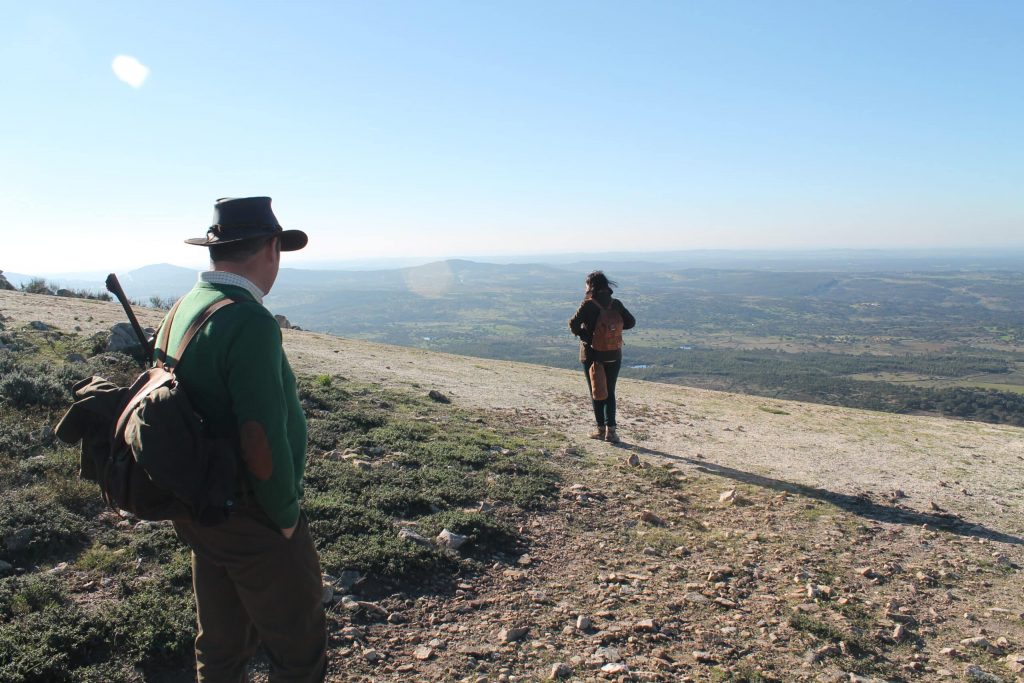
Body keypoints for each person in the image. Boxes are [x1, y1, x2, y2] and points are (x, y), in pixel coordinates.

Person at [167, 197, 327, 682]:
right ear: (272, 248)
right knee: (299, 653)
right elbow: (260, 437)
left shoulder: (186, 307)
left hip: (200, 505)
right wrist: (283, 517)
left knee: (221, 646)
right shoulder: (249, 320)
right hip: (252, 513)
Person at [568, 270, 636, 443]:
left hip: (592, 355)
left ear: (591, 285)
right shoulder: (616, 304)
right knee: (610, 392)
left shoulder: (588, 304)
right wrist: (613, 332)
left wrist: (587, 337)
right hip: (614, 354)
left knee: (597, 391)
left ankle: (600, 430)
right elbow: (631, 322)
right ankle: (611, 432)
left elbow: (573, 324)